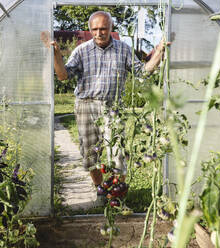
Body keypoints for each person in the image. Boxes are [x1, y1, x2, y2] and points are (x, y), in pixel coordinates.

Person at [43, 11, 168, 205]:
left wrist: (159, 52)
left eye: (103, 28)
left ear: (111, 28)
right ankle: (100, 191)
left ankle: (117, 193)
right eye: (95, 29)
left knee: (117, 151)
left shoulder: (123, 50)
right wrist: (56, 54)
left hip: (113, 107)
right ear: (90, 29)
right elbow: (63, 76)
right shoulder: (81, 51)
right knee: (90, 152)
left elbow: (142, 73)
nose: (99, 33)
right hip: (86, 105)